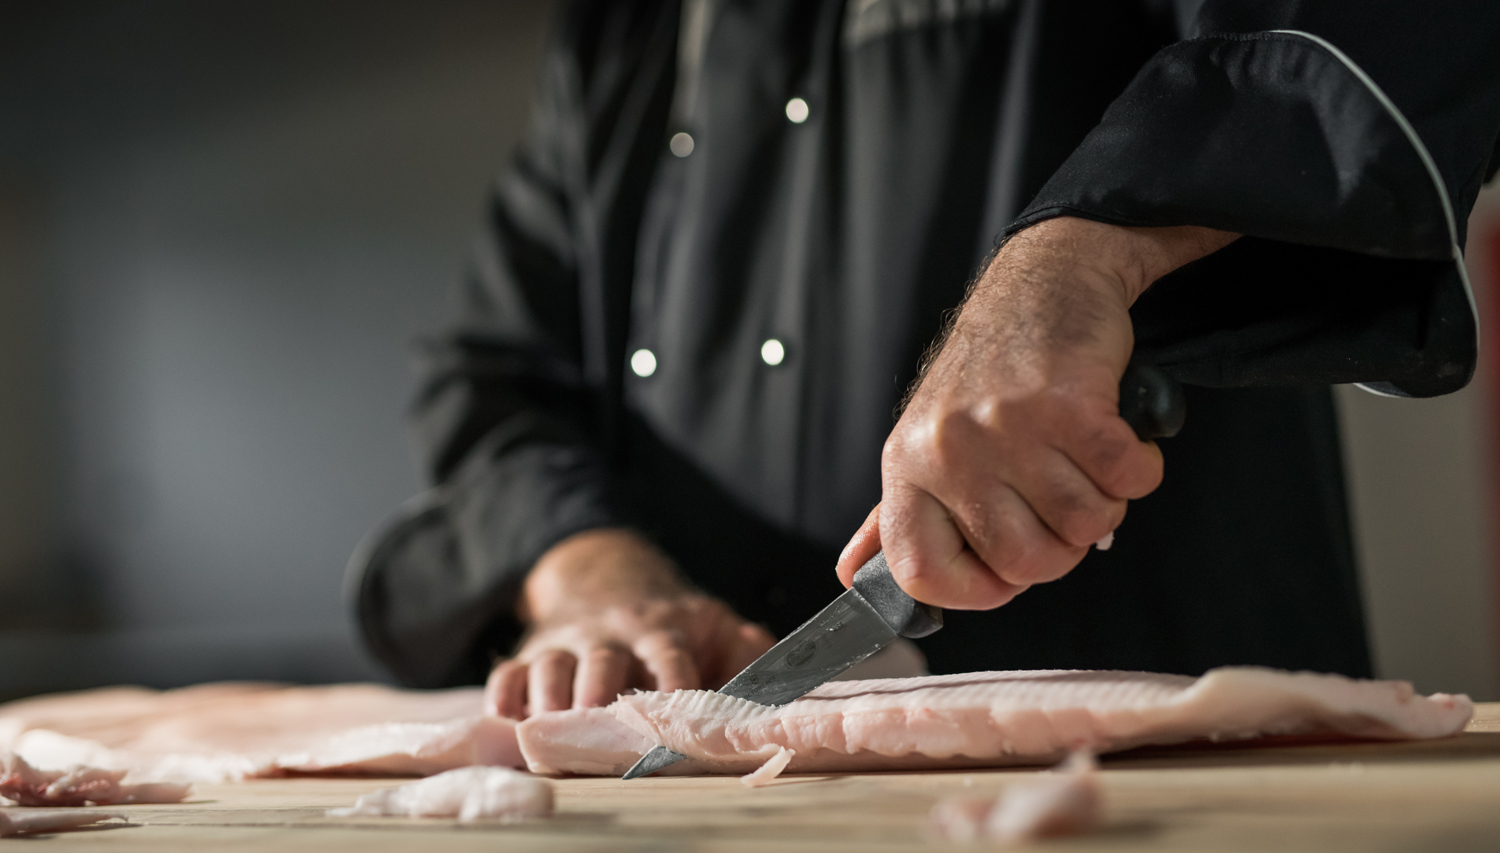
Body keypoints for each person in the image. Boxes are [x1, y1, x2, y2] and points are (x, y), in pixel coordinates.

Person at [349, 0, 1500, 719]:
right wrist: (593, 573)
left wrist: (1078, 257)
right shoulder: (623, 29)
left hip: (1177, 791)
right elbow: (494, 379)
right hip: (721, 849)